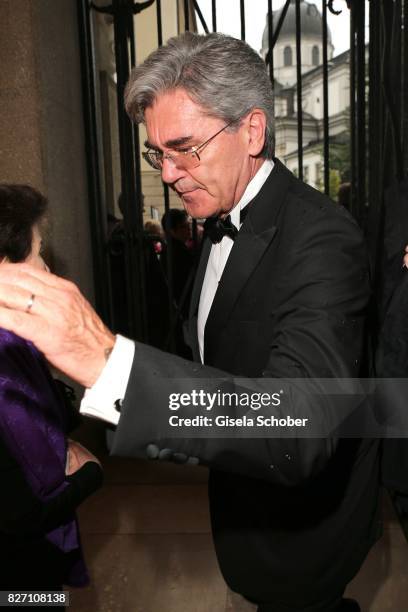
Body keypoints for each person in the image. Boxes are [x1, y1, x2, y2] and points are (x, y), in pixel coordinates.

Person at [0, 34, 379, 612]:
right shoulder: (220, 210)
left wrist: (110, 363)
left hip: (299, 535)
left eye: (185, 149)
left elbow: (300, 426)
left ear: (252, 131)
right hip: (242, 509)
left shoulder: (322, 239)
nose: (171, 173)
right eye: (158, 154)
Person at [0, 185, 103, 596]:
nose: (46, 269)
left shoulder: (17, 340)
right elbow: (19, 516)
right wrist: (90, 474)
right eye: (38, 252)